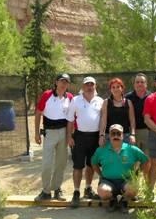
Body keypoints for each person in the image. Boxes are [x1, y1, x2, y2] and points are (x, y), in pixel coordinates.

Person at [92, 124, 149, 213]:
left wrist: (138, 174)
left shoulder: (131, 149)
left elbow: (145, 160)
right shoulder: (101, 150)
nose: (116, 136)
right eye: (113, 134)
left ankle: (124, 200)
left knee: (133, 188)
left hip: (126, 180)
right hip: (108, 181)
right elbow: (94, 163)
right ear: (109, 136)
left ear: (122, 135)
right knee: (103, 192)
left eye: (118, 134)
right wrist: (100, 175)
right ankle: (113, 200)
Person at [34, 73, 73, 201]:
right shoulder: (47, 95)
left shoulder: (70, 97)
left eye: (66, 82)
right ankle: (45, 191)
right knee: (47, 164)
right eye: (62, 81)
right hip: (49, 133)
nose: (64, 84)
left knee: (61, 164)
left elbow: (70, 119)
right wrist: (36, 133)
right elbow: (38, 113)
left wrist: (69, 136)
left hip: (63, 133)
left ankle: (57, 189)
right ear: (56, 82)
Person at [66, 76, 104, 208]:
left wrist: (102, 136)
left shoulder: (100, 101)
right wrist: (69, 137)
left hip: (95, 137)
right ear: (83, 87)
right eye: (87, 84)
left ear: (95, 86)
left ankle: (88, 188)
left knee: (91, 165)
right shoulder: (75, 100)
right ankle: (76, 192)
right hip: (79, 137)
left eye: (92, 84)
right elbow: (70, 120)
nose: (89, 87)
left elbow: (103, 120)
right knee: (77, 166)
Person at [99, 78, 136, 147]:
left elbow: (132, 120)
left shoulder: (128, 102)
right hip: (109, 136)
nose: (115, 89)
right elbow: (103, 120)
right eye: (113, 87)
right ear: (110, 89)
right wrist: (101, 135)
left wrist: (133, 135)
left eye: (118, 87)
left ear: (122, 88)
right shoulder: (106, 102)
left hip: (125, 136)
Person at [125, 73, 151, 155]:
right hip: (132, 132)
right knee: (133, 158)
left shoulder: (152, 97)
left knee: (147, 158)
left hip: (148, 131)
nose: (139, 84)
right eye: (137, 82)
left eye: (142, 82)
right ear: (134, 84)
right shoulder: (127, 98)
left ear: (146, 84)